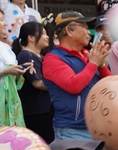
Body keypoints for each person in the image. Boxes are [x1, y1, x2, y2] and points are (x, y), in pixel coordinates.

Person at [42, 11, 110, 141]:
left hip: (98, 128)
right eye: (84, 26)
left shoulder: (86, 54)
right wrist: (94, 63)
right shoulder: (53, 59)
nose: (88, 32)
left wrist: (101, 66)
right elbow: (74, 86)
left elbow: (110, 85)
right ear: (69, 30)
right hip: (73, 131)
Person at [13, 22, 54, 143]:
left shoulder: (38, 55)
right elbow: (37, 83)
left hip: (44, 108)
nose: (47, 37)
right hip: (36, 111)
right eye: (44, 34)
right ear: (31, 37)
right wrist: (60, 84)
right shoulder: (26, 55)